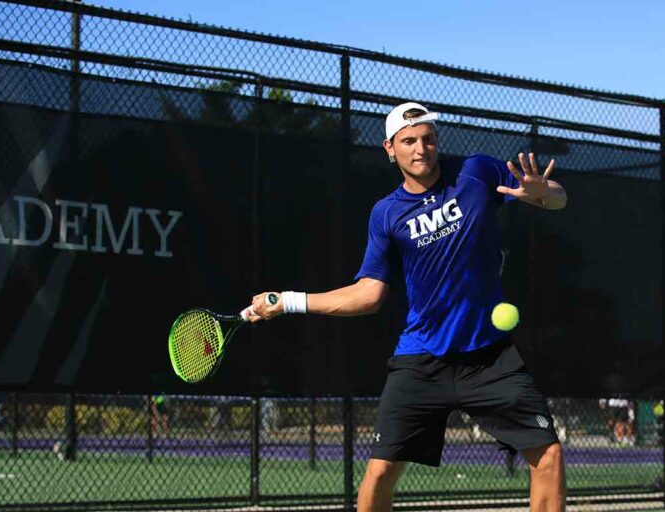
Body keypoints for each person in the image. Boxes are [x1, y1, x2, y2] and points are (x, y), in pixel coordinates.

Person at [242, 102, 568, 512]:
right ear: (389, 149)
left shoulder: (476, 172)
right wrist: (288, 301)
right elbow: (369, 294)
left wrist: (544, 194)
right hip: (421, 359)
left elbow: (555, 199)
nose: (421, 148)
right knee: (379, 473)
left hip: (490, 356)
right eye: (409, 141)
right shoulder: (386, 214)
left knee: (548, 455)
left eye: (428, 139)